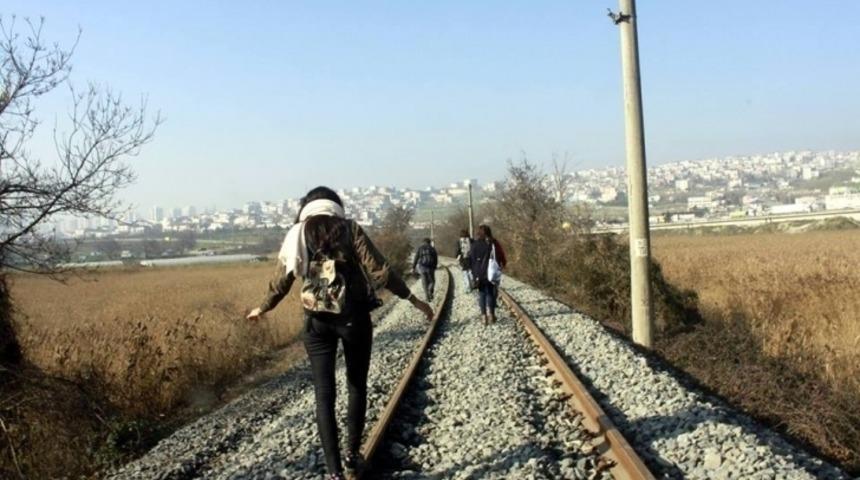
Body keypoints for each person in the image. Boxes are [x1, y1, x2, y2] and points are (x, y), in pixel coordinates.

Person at [246, 186, 433, 480]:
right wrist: (413, 299)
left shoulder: (297, 233)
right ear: (336, 206)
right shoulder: (349, 228)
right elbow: (380, 271)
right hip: (353, 319)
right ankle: (350, 455)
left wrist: (262, 308)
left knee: (324, 394)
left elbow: (282, 279)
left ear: (307, 207)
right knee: (356, 385)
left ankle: (333, 472)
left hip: (315, 322)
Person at [469, 224, 506, 325]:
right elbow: (501, 255)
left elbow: (471, 259)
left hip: (479, 272)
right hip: (492, 271)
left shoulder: (475, 244)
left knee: (481, 293)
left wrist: (473, 272)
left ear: (478, 233)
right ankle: (492, 315)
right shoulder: (494, 243)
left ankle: (483, 316)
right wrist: (502, 265)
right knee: (491, 292)